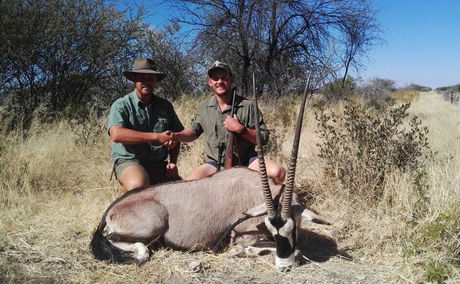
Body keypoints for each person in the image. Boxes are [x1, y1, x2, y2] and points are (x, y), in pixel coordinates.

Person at [173, 61, 286, 183]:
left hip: (247, 162)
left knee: (278, 173)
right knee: (188, 183)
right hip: (214, 163)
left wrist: (241, 130)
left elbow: (263, 138)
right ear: (210, 83)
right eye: (215, 78)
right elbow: (193, 132)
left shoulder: (248, 106)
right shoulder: (203, 107)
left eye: (224, 78)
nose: (220, 82)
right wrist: (176, 136)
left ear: (232, 80)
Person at [108, 58, 184, 192]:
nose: (146, 81)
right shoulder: (121, 105)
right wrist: (156, 137)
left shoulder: (165, 106)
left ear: (156, 81)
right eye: (142, 78)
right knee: (139, 187)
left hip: (158, 164)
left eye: (150, 77)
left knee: (184, 193)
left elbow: (176, 136)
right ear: (134, 79)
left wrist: (173, 162)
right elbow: (116, 134)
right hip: (129, 161)